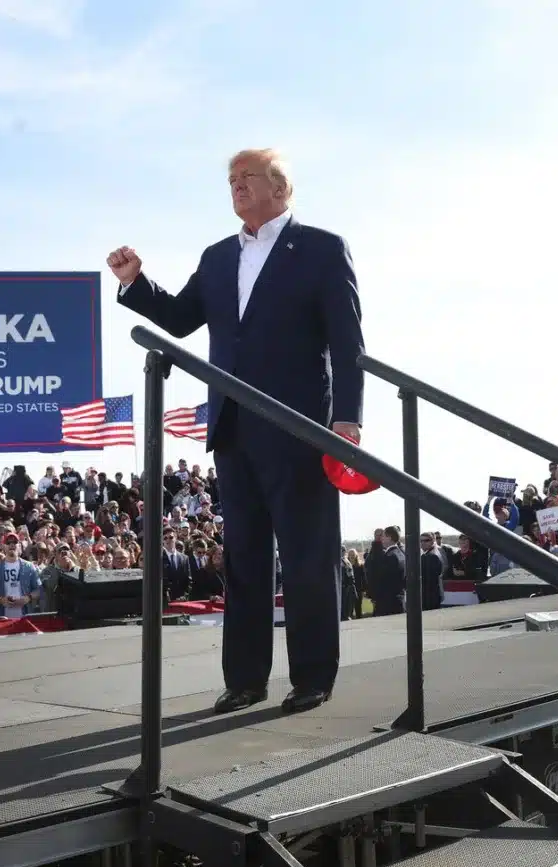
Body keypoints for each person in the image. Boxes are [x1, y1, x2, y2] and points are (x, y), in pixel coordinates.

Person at [107, 148, 365, 715]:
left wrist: (347, 419)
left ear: (280, 186)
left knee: (307, 557)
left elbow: (348, 344)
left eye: (246, 177)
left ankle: (313, 676)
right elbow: (179, 318)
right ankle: (245, 679)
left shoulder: (321, 248)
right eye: (230, 180)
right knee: (244, 559)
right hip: (233, 428)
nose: (236, 188)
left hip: (301, 428)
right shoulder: (218, 256)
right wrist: (136, 283)